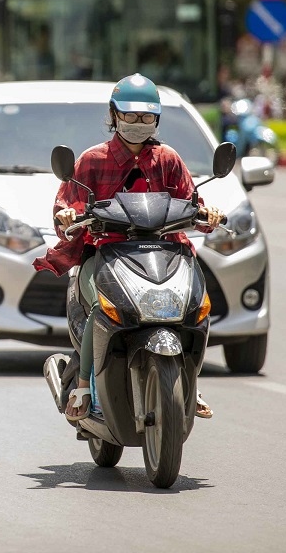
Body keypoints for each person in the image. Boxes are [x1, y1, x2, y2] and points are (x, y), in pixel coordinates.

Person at [33, 74, 224, 423]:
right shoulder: (92, 160)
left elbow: (191, 203)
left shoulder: (168, 159)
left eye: (146, 118)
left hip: (164, 253)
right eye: (130, 117)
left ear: (156, 119)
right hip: (107, 254)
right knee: (100, 311)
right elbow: (66, 204)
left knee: (196, 307)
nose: (138, 125)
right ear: (114, 115)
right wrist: (66, 214)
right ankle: (81, 384)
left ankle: (189, 380)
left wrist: (206, 214)